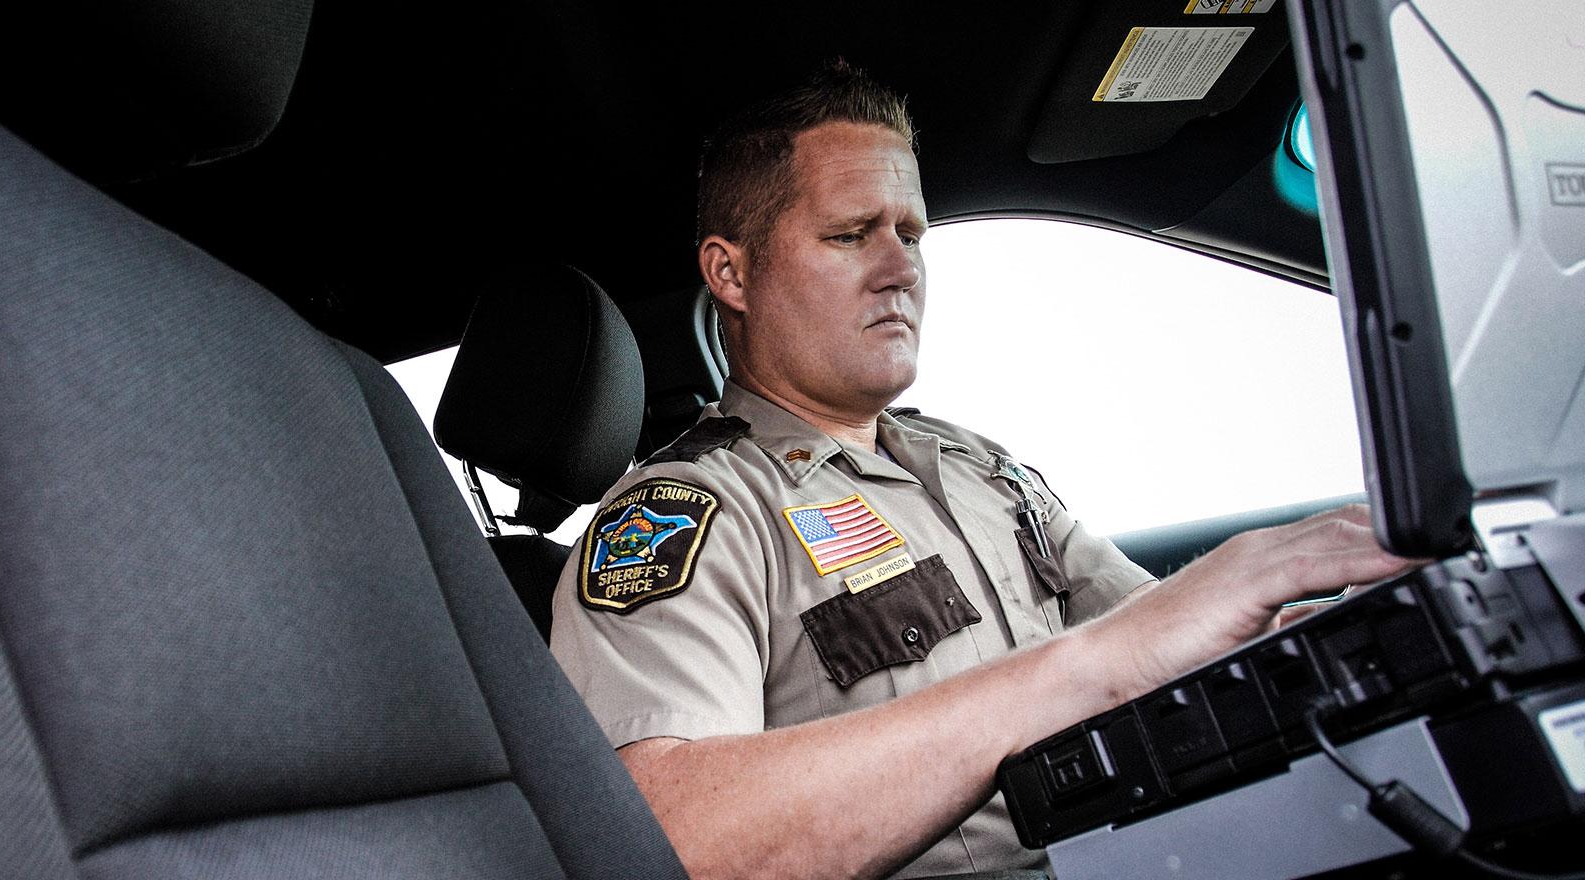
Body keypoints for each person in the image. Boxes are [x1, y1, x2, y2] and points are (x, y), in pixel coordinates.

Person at [545, 61, 1417, 880]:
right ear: (730, 272)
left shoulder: (972, 463)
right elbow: (671, 841)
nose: (900, 270)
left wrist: (1374, 625)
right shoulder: (687, 515)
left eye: (911, 235)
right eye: (851, 235)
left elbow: (1163, 642)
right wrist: (1093, 666)